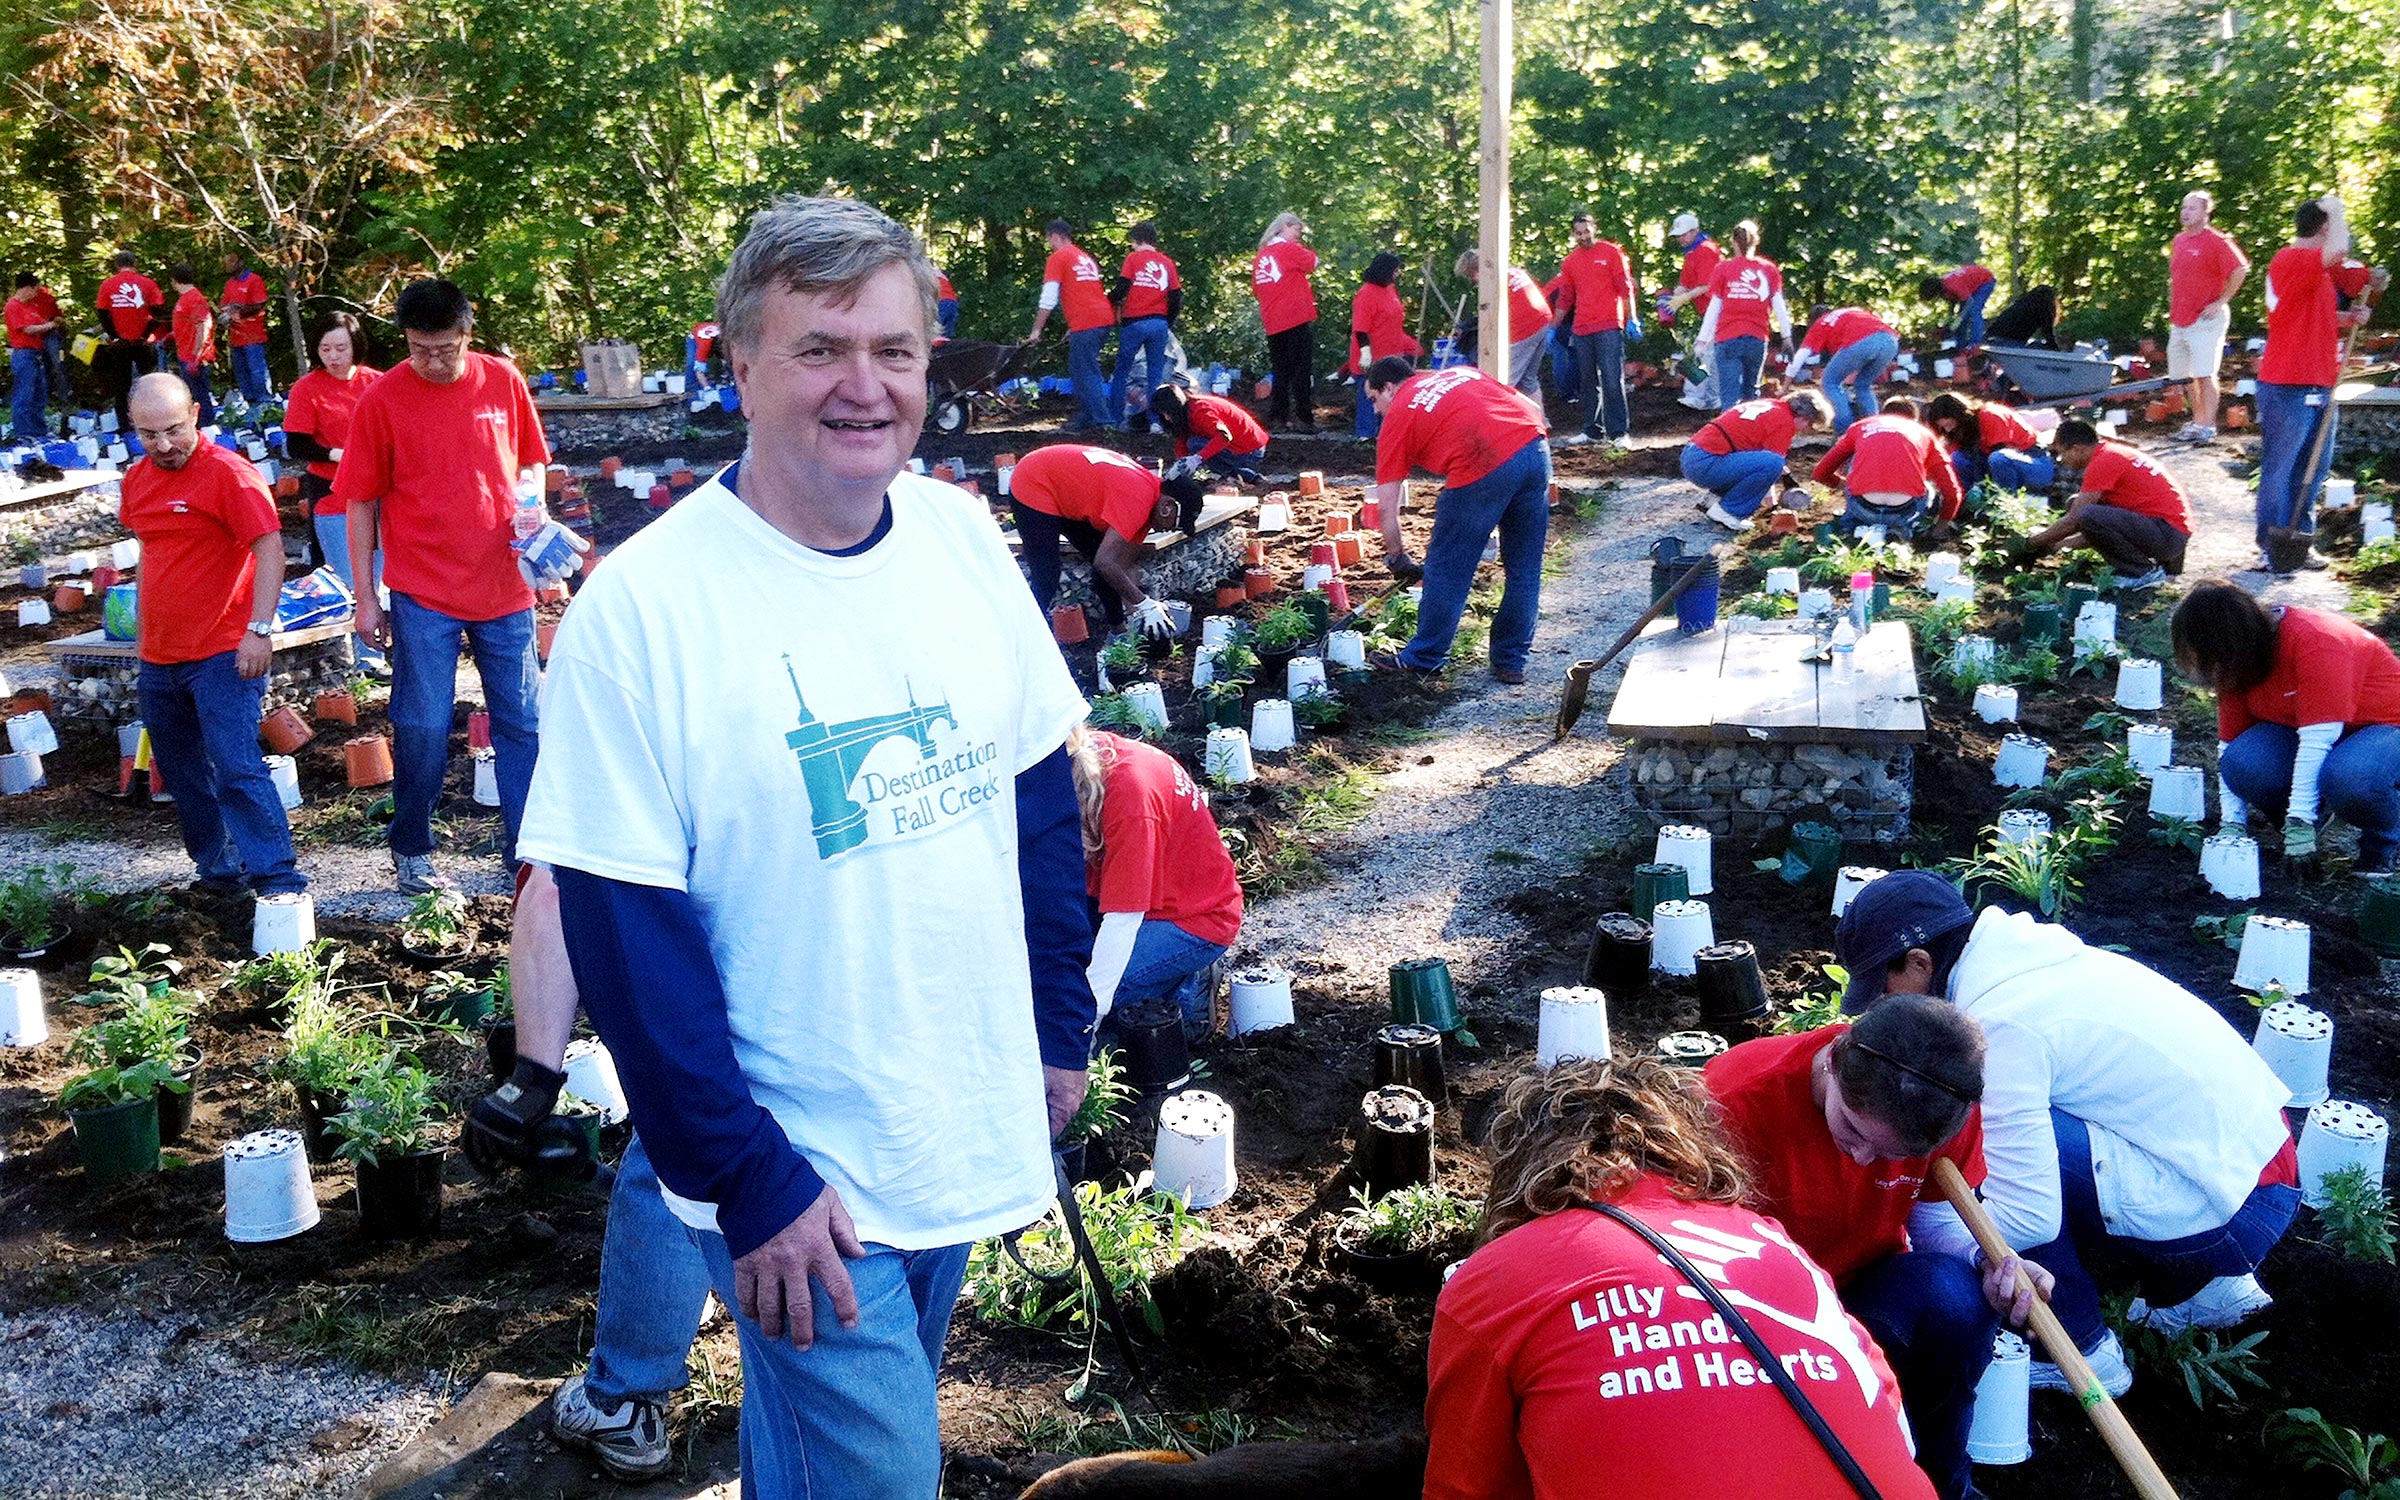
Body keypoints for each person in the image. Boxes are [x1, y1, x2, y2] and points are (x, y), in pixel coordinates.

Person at [517, 194, 1098, 1498]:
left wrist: (1058, 1026)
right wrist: (748, 1179)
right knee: (887, 1477)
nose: (865, 386)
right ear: (738, 365)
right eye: (820, 349)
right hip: (795, 1152)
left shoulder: (955, 537)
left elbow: (1035, 797)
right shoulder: (647, 611)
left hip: (944, 1102)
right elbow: (620, 921)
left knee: (814, 1458)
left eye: (893, 350)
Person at [1836, 871, 2300, 1394]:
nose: (1880, 1008)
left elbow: (2030, 1214)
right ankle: (2201, 1290)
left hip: (2237, 1211)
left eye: (1882, 988)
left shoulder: (2001, 1024)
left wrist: (1923, 1232)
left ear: (1921, 962)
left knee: (1971, 1131)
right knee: (2029, 1128)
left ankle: (2080, 1347)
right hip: (2259, 1164)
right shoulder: (2030, 963)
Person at [1423, 1056, 1938, 1500]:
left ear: (1523, 1170)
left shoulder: (1496, 1280)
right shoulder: (1773, 1243)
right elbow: (1890, 1417)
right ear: (1691, 1151)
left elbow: (1465, 1488)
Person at [1705, 997, 2049, 1500]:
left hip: (1864, 1288)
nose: (1864, 1159)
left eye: (1892, 1155)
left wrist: (1987, 1263)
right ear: (1836, 1060)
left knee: (1955, 1299)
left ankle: (1939, 1482)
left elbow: (1935, 1220)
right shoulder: (1734, 1099)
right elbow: (1686, 1246)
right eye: (1852, 1129)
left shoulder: (1941, 1101)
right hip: (1748, 1306)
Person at [464, 865, 714, 1481]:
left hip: (716, 1002)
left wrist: (533, 1080)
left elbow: (553, 886)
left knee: (667, 1172)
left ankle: (623, 1398)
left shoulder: (603, 765)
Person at [332, 277, 550, 891]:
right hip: (422, 590)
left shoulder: (503, 381)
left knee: (522, 722)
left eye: (445, 348)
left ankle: (528, 853)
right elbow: (361, 503)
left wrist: (532, 504)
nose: (432, 360)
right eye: (419, 348)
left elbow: (530, 458)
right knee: (423, 723)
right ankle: (413, 849)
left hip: (505, 587)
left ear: (467, 333)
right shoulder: (381, 400)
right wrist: (365, 597)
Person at [118, 373, 306, 898]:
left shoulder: (230, 475)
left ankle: (278, 880)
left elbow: (271, 551)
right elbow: (157, 552)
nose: (163, 445)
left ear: (196, 415)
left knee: (236, 767)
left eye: (174, 430)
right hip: (159, 655)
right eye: (148, 434)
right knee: (182, 772)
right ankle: (220, 875)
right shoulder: (137, 481)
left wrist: (259, 631)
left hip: (223, 650)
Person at [2175, 580, 2400, 875]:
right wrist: (2232, 824)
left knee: (2352, 779)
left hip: (2384, 725)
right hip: (2314, 732)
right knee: (2243, 764)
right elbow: (2227, 747)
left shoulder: (2317, 641)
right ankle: (2317, 812)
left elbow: (2318, 740)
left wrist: (2298, 822)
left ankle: (2384, 844)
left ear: (2232, 641)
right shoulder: (2236, 664)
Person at [1364, 357, 1550, 684]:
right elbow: (1528, 405)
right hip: (1533, 449)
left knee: (1447, 567)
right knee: (1524, 568)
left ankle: (1424, 657)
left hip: (1482, 462)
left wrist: (1397, 557)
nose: (1375, 411)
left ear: (1389, 388)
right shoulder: (1462, 373)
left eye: (1374, 400)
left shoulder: (1398, 416)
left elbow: (1385, 509)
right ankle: (1511, 661)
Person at [1071, 725, 1243, 1037]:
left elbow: (1122, 921)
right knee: (1065, 974)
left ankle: (1188, 999)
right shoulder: (1091, 753)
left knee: (1082, 997)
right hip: (1149, 891)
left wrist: (1083, 1022)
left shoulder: (1131, 802)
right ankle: (1167, 975)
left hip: (1194, 917)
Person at [2253, 194, 2385, 573]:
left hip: (2321, 383)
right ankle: (2270, 546)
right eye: (2336, 226)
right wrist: (2338, 207)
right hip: (2286, 384)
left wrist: (2351, 313)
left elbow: (2320, 309)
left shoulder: (2320, 273)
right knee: (2280, 469)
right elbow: (2339, 251)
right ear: (2325, 227)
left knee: (2313, 467)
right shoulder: (2290, 259)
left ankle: (2299, 541)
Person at [280, 314, 387, 671]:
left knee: (385, 575)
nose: (334, 356)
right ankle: (366, 660)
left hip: (382, 492)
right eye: (326, 349)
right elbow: (296, 443)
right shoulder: (308, 388)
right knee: (354, 577)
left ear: (355, 346)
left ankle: (390, 651)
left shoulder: (378, 383)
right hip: (332, 491)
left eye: (341, 348)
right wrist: (336, 454)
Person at [1008, 442, 1205, 637]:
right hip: (1034, 480)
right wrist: (1145, 604)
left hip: (1064, 487)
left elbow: (1123, 564)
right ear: (1167, 508)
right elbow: (1105, 563)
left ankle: (1119, 633)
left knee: (1105, 565)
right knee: (1046, 574)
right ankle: (1019, 637)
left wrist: (1138, 614)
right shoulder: (1137, 502)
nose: (1169, 529)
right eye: (1175, 523)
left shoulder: (1150, 499)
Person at [2029, 419, 2190, 591]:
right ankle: (2155, 569)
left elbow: (2076, 520)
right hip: (2169, 531)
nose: (2062, 460)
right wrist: (2055, 546)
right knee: (2078, 505)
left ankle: (2141, 573)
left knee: (2088, 514)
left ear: (2077, 449)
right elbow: (2099, 533)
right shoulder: (2110, 452)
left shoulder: (2103, 462)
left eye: (2062, 454)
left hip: (2168, 535)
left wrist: (2031, 543)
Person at [1682, 388, 1832, 532]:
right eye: (1810, 423)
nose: (1807, 429)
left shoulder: (1771, 406)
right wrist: (1771, 504)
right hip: (1706, 463)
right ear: (1803, 416)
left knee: (1759, 461)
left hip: (1693, 455)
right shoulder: (1784, 422)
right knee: (1773, 463)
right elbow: (1772, 466)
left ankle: (1714, 499)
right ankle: (1729, 511)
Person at [1550, 213, 1636, 451]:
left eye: (1586, 231)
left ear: (1594, 228)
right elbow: (1566, 297)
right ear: (1573, 235)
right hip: (1582, 327)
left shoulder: (1611, 253)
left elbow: (1625, 288)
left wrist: (1631, 319)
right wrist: (1554, 326)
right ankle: (1592, 430)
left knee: (1611, 378)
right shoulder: (1570, 262)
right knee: (1586, 380)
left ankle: (1619, 432)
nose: (1583, 236)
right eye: (1578, 233)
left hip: (1609, 324)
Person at [2168, 191, 2248, 445]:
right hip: (2180, 318)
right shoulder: (2179, 240)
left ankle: (2208, 426)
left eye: (2192, 208)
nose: (2185, 212)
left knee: (2204, 373)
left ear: (2205, 213)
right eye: (2184, 207)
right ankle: (2196, 421)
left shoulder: (2217, 241)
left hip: (2206, 319)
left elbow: (2240, 269)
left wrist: (2221, 301)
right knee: (2184, 376)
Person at [1811, 403, 1962, 534]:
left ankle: (1851, 526)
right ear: (1913, 419)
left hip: (1863, 508)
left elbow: (1820, 473)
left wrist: (1847, 485)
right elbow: (1952, 493)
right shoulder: (1925, 435)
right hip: (1904, 511)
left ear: (1882, 414)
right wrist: (1940, 528)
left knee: (1856, 463)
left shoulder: (1860, 427)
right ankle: (1902, 530)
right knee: (1927, 487)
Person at [1025, 220, 1115, 433]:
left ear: (1055, 236)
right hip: (1101, 318)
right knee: (1078, 368)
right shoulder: (1084, 257)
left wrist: (1036, 330)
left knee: (1086, 371)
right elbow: (1085, 292)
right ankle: (1086, 416)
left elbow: (1049, 298)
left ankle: (1103, 422)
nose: (1049, 244)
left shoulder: (1059, 257)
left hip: (1088, 322)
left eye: (1049, 239)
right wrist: (1073, 326)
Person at [1696, 220, 1792, 405]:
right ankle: (1750, 431)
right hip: (1757, 338)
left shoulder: (1723, 269)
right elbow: (1779, 305)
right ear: (1756, 241)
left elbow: (1714, 308)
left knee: (1729, 396)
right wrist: (1787, 337)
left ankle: (1728, 432)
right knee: (1751, 393)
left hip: (1727, 337)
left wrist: (1702, 340)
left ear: (1733, 242)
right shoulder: (1768, 269)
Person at [1105, 222, 1181, 432]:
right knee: (1155, 375)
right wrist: (1168, 321)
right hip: (1159, 323)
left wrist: (1106, 301)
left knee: (1122, 372)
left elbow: (1122, 288)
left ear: (1137, 240)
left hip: (1135, 322)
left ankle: (1116, 420)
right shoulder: (1167, 262)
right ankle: (1155, 421)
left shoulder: (1133, 258)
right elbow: (1175, 296)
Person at [1253, 212, 1320, 432]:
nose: (1298, 235)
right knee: (1301, 370)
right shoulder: (1289, 250)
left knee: (1281, 371)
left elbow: (1257, 289)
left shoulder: (1262, 256)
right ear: (1284, 227)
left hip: (1273, 319)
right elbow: (1313, 262)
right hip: (1295, 316)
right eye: (1296, 230)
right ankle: (1304, 418)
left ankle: (1278, 417)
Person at [1453, 249, 1552, 399]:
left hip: (1524, 329)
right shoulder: (1512, 272)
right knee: (1528, 381)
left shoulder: (1490, 280)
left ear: (1475, 271)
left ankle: (1501, 420)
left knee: (1501, 384)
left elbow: (1489, 315)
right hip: (1542, 321)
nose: (1475, 281)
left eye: (1472, 276)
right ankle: (1541, 422)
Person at [1790, 304, 1899, 434]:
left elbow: (1800, 356)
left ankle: (1844, 431)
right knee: (1863, 385)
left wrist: (1785, 385)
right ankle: (1874, 428)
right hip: (1890, 340)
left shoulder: (1821, 323)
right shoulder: (1850, 312)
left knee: (1830, 382)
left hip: (1862, 342)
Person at [1345, 252, 1420, 439]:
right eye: (1394, 271)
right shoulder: (1366, 294)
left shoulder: (1390, 289)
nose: (1397, 275)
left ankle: (1386, 433)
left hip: (1392, 354)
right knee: (1369, 396)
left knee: (1391, 395)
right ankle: (1365, 435)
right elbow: (1360, 328)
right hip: (1371, 356)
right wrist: (1365, 352)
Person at [1922, 391, 2053, 494]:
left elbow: (2000, 457)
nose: (1948, 429)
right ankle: (1969, 503)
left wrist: (1980, 486)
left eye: (1949, 424)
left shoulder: (1990, 416)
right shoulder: (1960, 429)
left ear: (1961, 415)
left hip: (2034, 463)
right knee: (1957, 459)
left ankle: (2006, 503)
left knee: (1998, 458)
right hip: (1997, 465)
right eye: (1943, 427)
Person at [1660, 211, 1724, 410]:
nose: (1680, 238)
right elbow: (1685, 283)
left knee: (1702, 352)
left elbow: (1708, 286)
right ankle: (1713, 398)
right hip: (1709, 312)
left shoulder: (1706, 250)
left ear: (1695, 231)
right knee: (1711, 356)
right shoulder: (1691, 252)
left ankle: (1695, 396)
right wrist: (1673, 298)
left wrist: (1684, 298)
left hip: (1718, 311)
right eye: (1678, 235)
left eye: (1683, 234)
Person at [96, 250, 165, 428]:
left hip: (120, 344)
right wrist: (144, 334)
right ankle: (156, 422)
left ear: (117, 265)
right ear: (135, 264)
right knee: (151, 384)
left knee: (122, 386)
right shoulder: (148, 284)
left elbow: (102, 314)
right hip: (143, 342)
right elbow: (158, 313)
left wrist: (115, 336)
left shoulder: (107, 285)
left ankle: (124, 426)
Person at [1151, 386, 1266, 484]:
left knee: (1195, 444)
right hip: (1239, 446)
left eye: (1167, 413)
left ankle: (1244, 475)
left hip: (1250, 449)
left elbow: (1224, 436)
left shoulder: (1200, 410)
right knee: (1193, 444)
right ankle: (1235, 473)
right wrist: (1180, 465)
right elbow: (1182, 440)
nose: (1166, 418)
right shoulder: (1186, 412)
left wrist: (1197, 459)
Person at [165, 263, 217, 426]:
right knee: (192, 395)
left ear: (174, 281)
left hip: (194, 357)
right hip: (185, 354)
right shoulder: (185, 299)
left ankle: (207, 427)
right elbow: (188, 325)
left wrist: (196, 356)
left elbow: (203, 327)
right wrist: (172, 335)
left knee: (199, 396)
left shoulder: (195, 298)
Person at [6, 274, 56, 440]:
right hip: (24, 354)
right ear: (26, 287)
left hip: (37, 354)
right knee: (24, 394)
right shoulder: (13, 306)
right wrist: (50, 325)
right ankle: (24, 433)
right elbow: (27, 329)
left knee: (39, 395)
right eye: (35, 289)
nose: (36, 293)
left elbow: (40, 323)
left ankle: (39, 431)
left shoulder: (32, 306)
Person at [220, 251, 273, 406]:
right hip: (236, 338)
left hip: (253, 336)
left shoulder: (254, 280)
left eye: (231, 261)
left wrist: (237, 312)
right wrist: (225, 314)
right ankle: (251, 410)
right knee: (242, 375)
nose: (228, 265)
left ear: (241, 262)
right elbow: (224, 305)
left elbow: (259, 305)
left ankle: (266, 408)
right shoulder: (230, 283)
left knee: (257, 373)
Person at [1917, 264, 1996, 350]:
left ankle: (1975, 344)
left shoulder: (1953, 286)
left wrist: (1958, 320)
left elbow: (1969, 302)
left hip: (1985, 281)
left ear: (1935, 292)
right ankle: (1960, 346)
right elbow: (1952, 306)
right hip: (1969, 287)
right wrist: (1948, 322)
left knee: (1974, 311)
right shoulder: (1943, 290)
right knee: (1963, 316)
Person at [1982, 284, 2060, 349]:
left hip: (1989, 339)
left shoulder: (2020, 304)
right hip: (2008, 343)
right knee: (2040, 346)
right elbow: (2048, 335)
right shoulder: (2043, 309)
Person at [934, 268, 959, 340]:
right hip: (953, 301)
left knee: (937, 327)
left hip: (941, 300)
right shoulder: (944, 279)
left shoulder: (929, 276)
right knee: (947, 329)